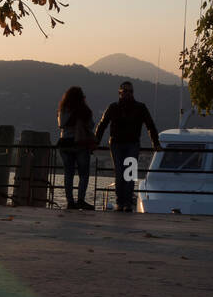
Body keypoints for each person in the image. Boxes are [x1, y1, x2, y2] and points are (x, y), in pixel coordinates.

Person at [94, 81, 161, 212]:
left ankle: (127, 203)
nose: (128, 94)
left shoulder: (140, 107)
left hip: (132, 143)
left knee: (129, 174)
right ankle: (121, 202)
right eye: (125, 91)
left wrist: (155, 143)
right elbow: (102, 125)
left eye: (130, 91)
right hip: (116, 143)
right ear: (120, 93)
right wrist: (95, 141)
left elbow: (150, 125)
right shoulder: (113, 107)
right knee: (120, 173)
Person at [57, 86, 95, 210]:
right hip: (80, 145)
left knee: (68, 174)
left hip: (65, 144)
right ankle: (80, 200)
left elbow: (61, 124)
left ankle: (70, 201)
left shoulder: (63, 109)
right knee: (83, 174)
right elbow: (91, 125)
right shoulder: (84, 110)